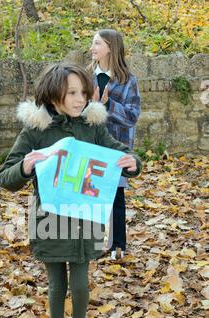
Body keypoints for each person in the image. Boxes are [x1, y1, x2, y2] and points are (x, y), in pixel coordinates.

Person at [0, 63, 141, 318]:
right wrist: (24, 166)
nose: (80, 99)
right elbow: (5, 177)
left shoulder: (92, 127)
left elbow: (118, 153)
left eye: (83, 93)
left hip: (85, 217)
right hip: (50, 221)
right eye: (72, 93)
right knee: (57, 285)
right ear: (53, 95)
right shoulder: (36, 130)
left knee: (79, 284)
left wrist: (132, 163)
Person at [90, 29, 141, 260]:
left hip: (116, 147)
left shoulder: (128, 81)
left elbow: (132, 116)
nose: (92, 48)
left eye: (97, 43)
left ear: (110, 47)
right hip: (90, 145)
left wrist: (109, 104)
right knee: (91, 194)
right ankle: (91, 244)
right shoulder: (86, 77)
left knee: (116, 196)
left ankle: (117, 246)